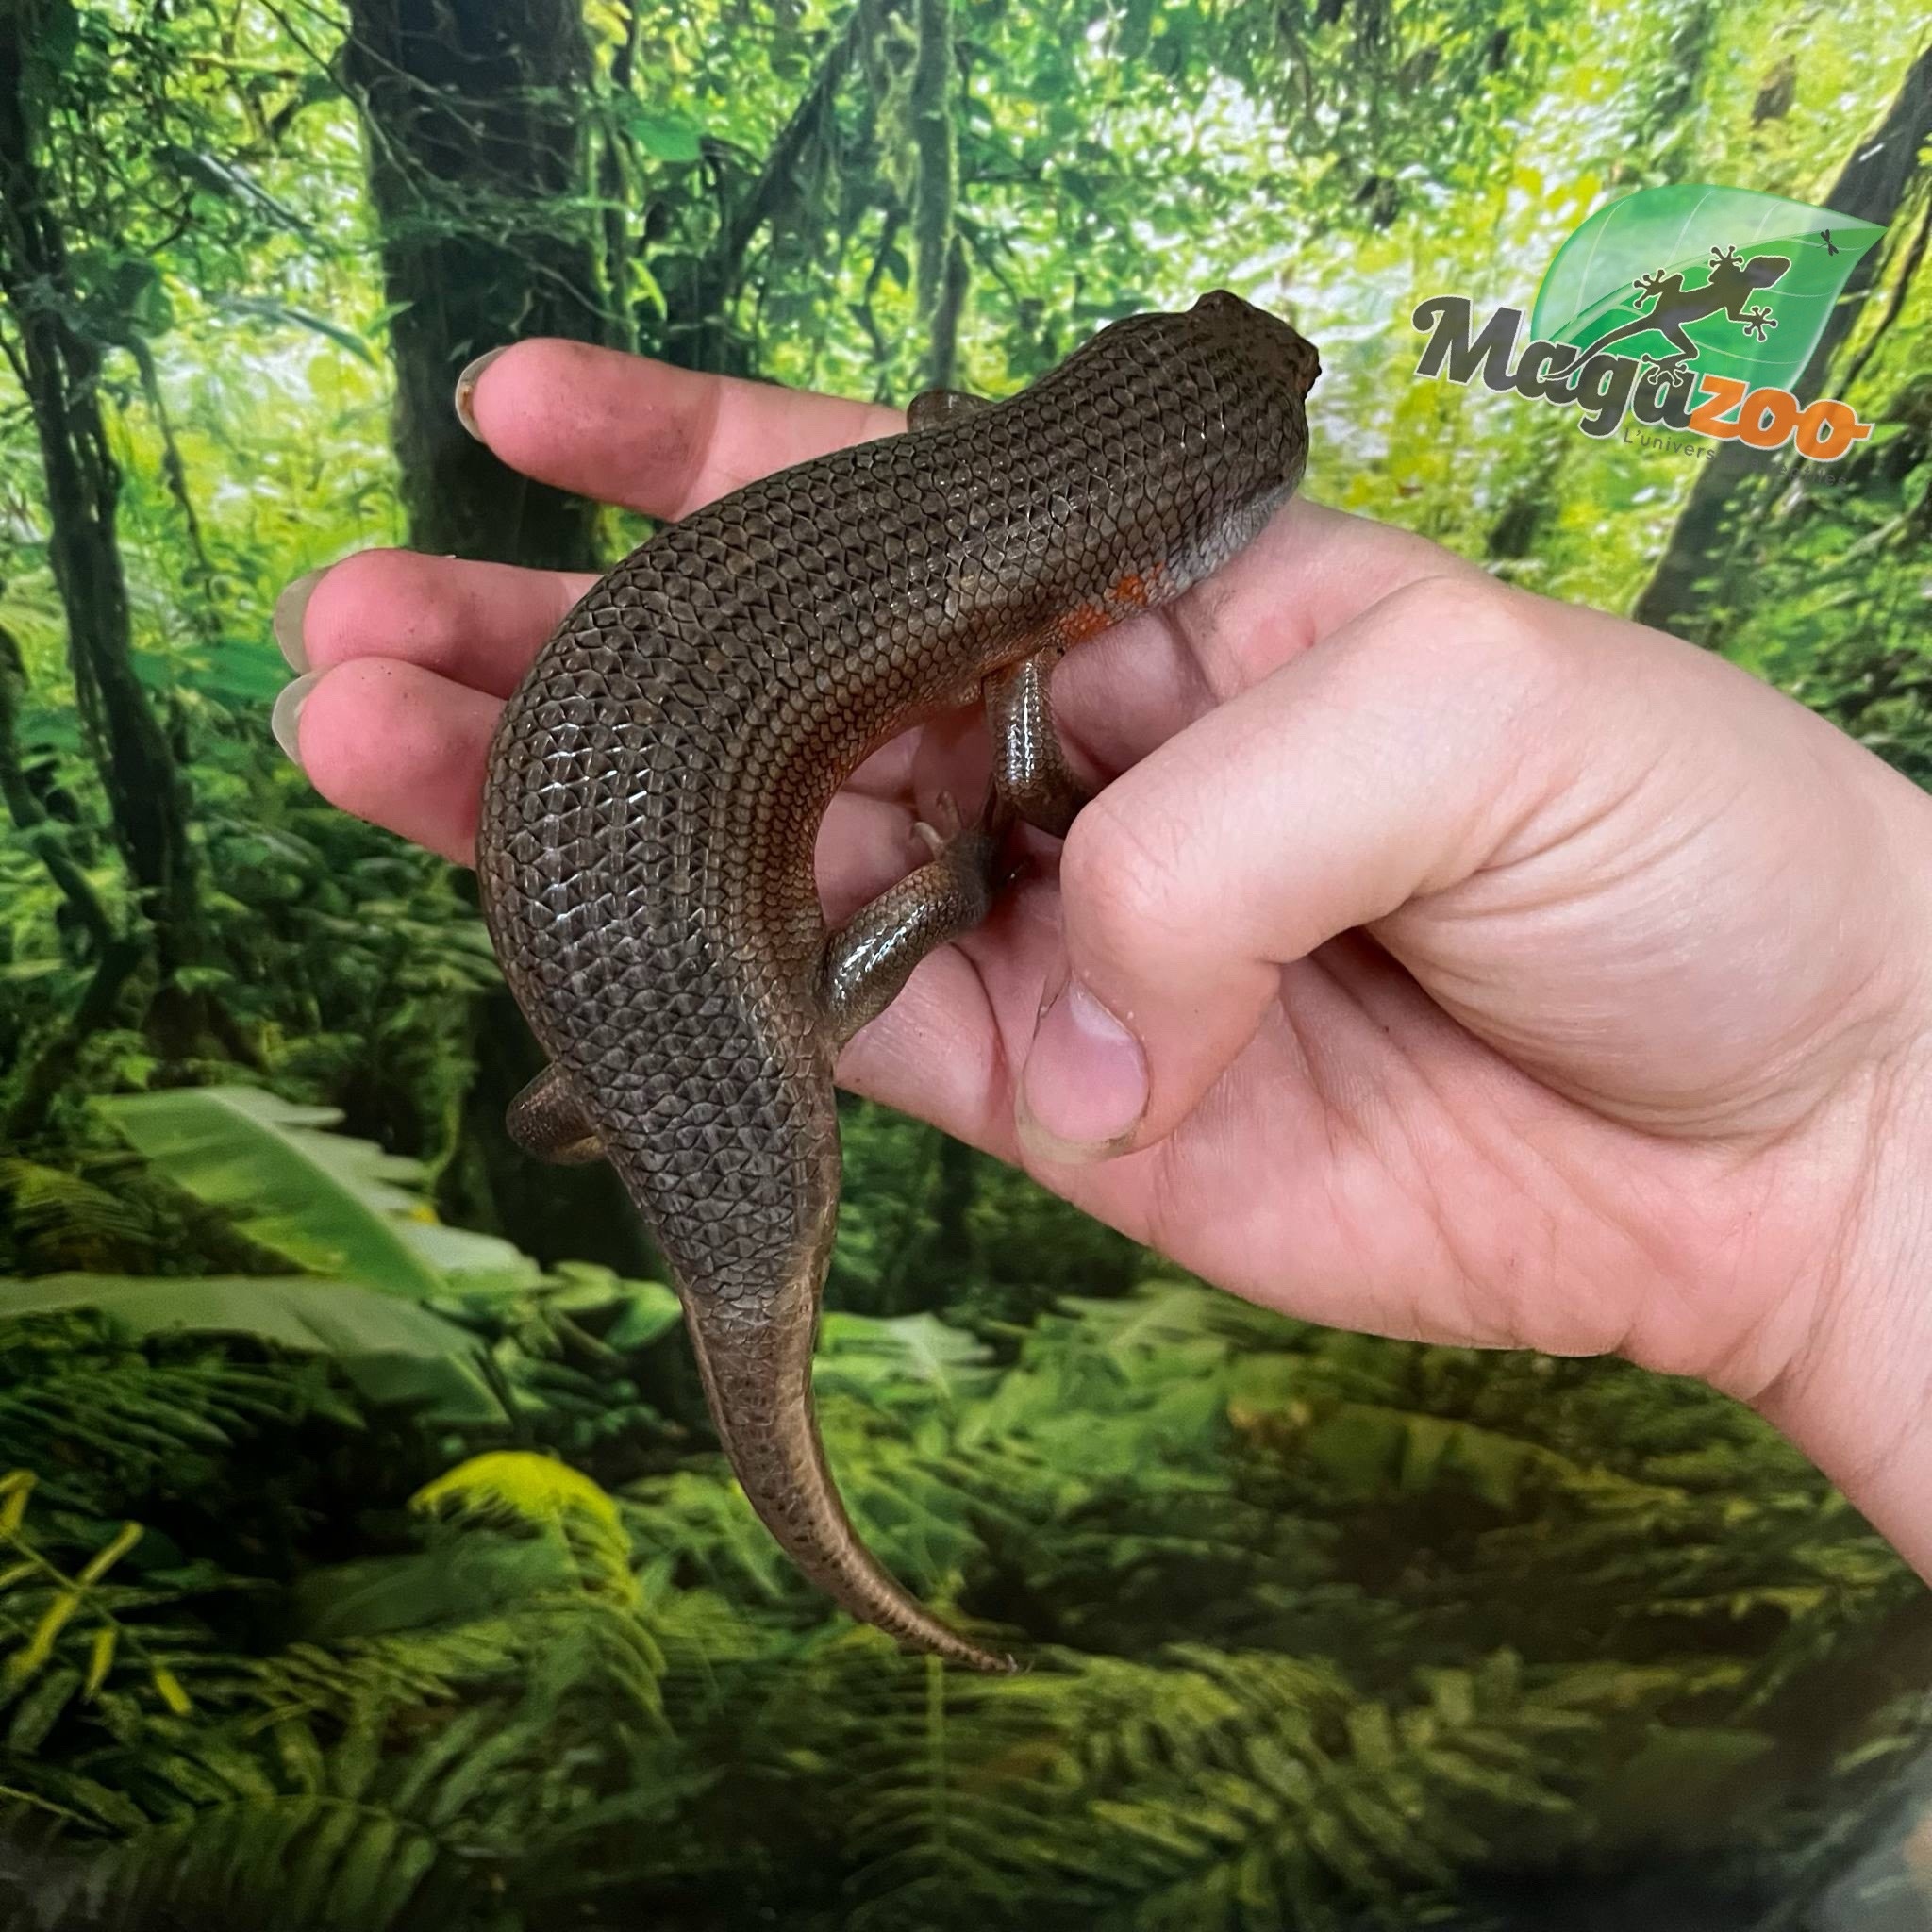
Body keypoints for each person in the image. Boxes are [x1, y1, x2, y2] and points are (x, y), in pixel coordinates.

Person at [269, 336, 1932, 1585]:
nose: (1278, 357)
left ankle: (631, 1083)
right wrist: (975, 861)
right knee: (831, 975)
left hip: (607, 872)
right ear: (1152, 555)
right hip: (679, 906)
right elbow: (1011, 752)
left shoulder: (959, 460)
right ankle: (705, 1047)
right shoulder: (1042, 605)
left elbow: (960, 492)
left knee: (639, 1085)